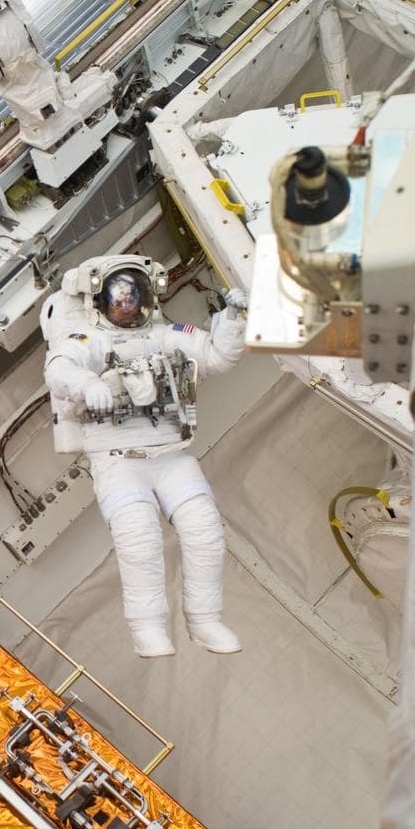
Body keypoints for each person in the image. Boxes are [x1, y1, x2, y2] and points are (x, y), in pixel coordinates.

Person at [42, 254, 248, 657]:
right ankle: (147, 628)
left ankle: (205, 620)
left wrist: (233, 321)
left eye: (133, 296)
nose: (126, 305)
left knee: (205, 534)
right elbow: (59, 368)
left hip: (171, 456)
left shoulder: (165, 334)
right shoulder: (88, 339)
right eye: (118, 299)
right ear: (100, 301)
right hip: (117, 461)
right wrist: (87, 384)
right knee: (140, 543)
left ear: (146, 296)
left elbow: (216, 358)